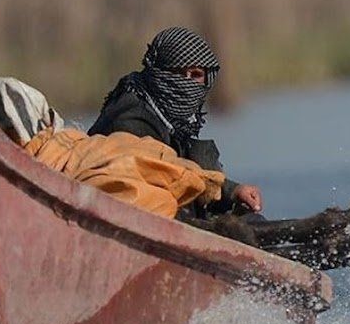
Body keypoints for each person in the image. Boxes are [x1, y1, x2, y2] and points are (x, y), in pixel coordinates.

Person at [88, 26, 263, 218]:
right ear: (159, 72)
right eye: (179, 74)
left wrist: (234, 191)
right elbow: (165, 173)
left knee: (249, 218)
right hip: (133, 212)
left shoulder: (174, 121)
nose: (186, 83)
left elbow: (187, 169)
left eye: (195, 75)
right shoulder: (131, 116)